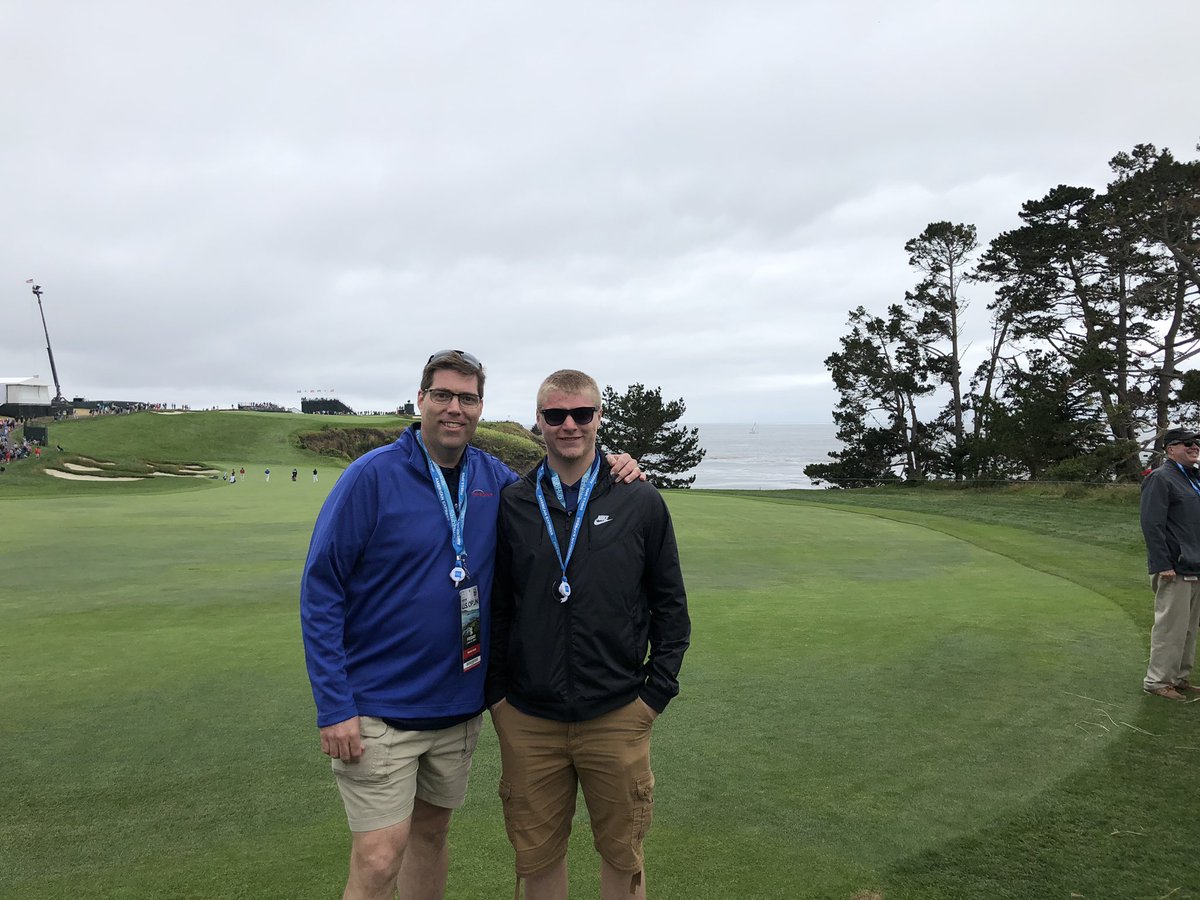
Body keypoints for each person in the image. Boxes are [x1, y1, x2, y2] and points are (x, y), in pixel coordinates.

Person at [300, 351, 643, 900]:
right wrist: (334, 704)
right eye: (442, 395)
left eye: (467, 398)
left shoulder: (495, 480)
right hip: (377, 707)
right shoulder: (373, 475)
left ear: (481, 406)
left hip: (457, 707)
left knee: (431, 836)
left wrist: (616, 466)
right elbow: (322, 588)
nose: (454, 408)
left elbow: (558, 489)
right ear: (421, 400)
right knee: (379, 854)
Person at [486, 369, 691, 900]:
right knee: (538, 862)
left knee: (624, 861)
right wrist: (499, 700)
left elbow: (670, 606)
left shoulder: (639, 499)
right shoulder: (515, 503)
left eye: (582, 414)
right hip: (529, 720)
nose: (569, 425)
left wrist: (654, 695)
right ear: (539, 423)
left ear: (600, 418)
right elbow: (499, 608)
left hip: (618, 715)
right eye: (556, 415)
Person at [1141, 426, 1200, 701]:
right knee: (1171, 627)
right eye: (1186, 443)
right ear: (1170, 449)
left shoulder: (1192, 478)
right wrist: (1162, 562)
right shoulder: (1160, 478)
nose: (1194, 446)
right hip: (1173, 566)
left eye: (1196, 443)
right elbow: (1152, 524)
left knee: (1188, 628)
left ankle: (1178, 678)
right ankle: (1158, 681)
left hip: (1194, 564)